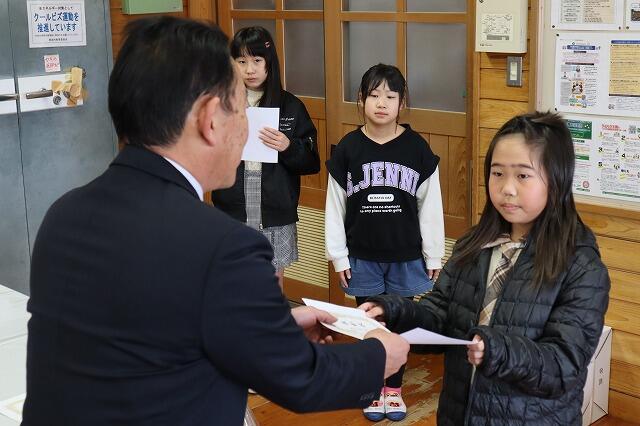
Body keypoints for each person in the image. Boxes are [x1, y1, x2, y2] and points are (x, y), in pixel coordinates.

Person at [22, 17, 410, 426]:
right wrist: (377, 355)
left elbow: (156, 335)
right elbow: (298, 377)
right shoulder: (224, 245)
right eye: (240, 109)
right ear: (210, 119)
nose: (245, 128)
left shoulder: (64, 215)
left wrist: (270, 325)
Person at [361, 112, 611, 425]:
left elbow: (564, 366)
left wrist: (497, 351)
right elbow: (440, 317)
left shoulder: (581, 265)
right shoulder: (474, 244)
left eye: (523, 176)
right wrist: (394, 313)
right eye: (497, 173)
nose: (507, 188)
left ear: (557, 179)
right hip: (459, 413)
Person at [325, 63, 445, 422]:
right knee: (369, 326)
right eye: (374, 95)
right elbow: (335, 206)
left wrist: (434, 254)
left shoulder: (417, 149)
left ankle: (393, 389)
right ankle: (373, 387)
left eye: (390, 96)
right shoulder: (348, 149)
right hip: (361, 256)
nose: (381, 103)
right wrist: (338, 256)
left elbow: (430, 206)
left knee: (399, 324)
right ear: (361, 99)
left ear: (402, 102)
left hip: (406, 256)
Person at [212, 26, 319, 291]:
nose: (250, 69)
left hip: (274, 209)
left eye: (257, 60)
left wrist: (288, 147)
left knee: (272, 280)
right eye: (242, 61)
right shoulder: (221, 104)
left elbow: (311, 162)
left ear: (269, 63)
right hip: (232, 206)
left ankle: (271, 320)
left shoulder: (290, 106)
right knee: (232, 278)